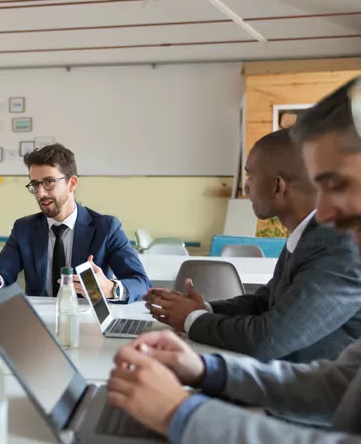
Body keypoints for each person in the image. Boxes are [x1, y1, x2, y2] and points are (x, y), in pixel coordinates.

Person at [107, 77, 361, 443]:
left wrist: (181, 412)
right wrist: (204, 370)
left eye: (337, 186)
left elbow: (271, 339)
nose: (323, 210)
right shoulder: (318, 239)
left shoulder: (341, 250)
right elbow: (336, 385)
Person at [145, 129, 361, 363]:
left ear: (278, 186)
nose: (246, 188)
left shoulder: (343, 247)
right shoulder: (312, 235)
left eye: (251, 177)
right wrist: (204, 309)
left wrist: (192, 318)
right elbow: (264, 303)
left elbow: (267, 340)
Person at [0, 144, 150, 302]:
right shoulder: (24, 229)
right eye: (35, 184)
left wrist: (110, 288)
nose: (41, 193)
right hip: (39, 325)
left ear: (72, 183)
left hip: (88, 323)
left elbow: (141, 283)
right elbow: (2, 275)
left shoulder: (106, 228)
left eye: (49, 182)